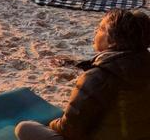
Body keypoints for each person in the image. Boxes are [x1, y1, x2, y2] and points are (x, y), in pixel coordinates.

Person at [15, 9, 150, 140]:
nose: (96, 32)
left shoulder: (98, 77)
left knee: (24, 128)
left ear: (114, 40)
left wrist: (50, 124)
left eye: (102, 29)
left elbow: (70, 130)